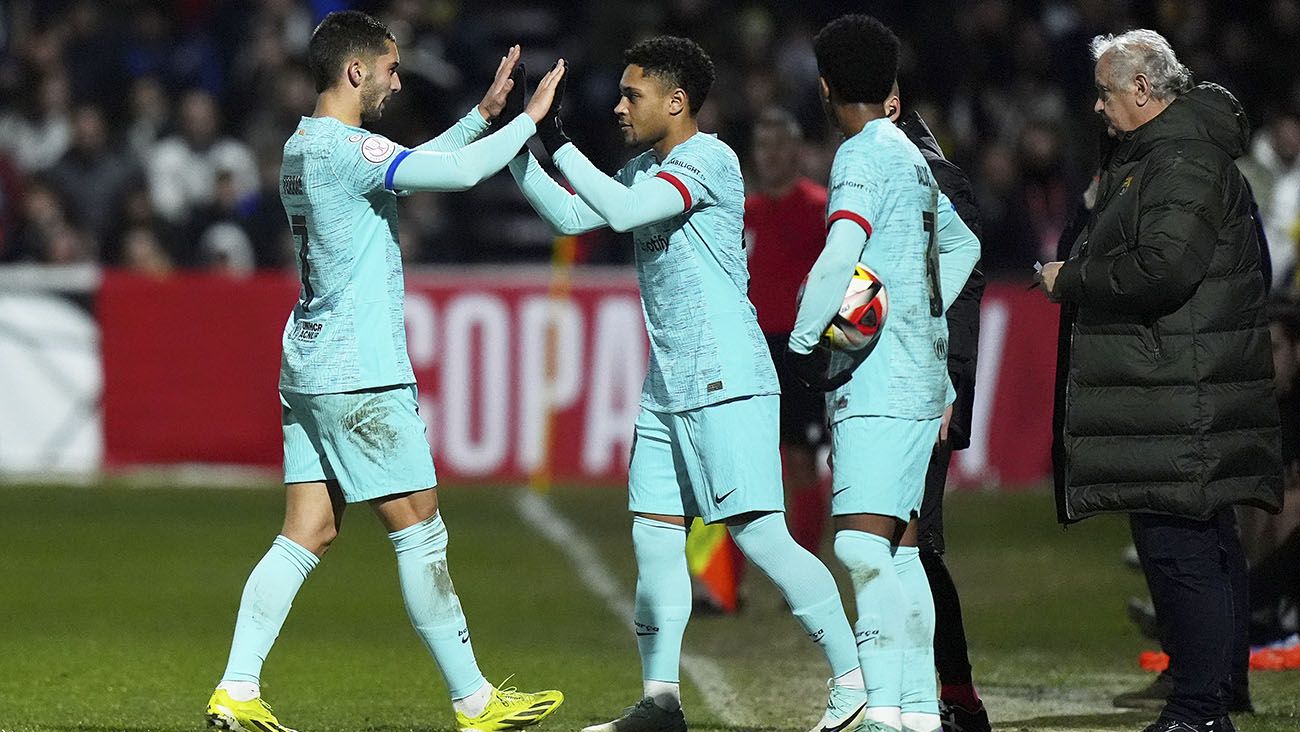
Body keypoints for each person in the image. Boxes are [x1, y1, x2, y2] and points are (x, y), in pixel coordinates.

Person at [204, 11, 568, 732]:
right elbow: (455, 174)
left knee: (306, 531)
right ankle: (474, 700)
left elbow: (412, 165)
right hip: (358, 370)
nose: (397, 82)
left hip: (307, 362)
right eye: (391, 69)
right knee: (420, 530)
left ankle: (236, 690)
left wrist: (479, 116)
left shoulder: (303, 146)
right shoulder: (343, 150)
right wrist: (527, 121)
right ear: (355, 71)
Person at [509, 35, 868, 732]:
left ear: (677, 102)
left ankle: (854, 681)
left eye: (630, 95)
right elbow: (576, 215)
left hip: (725, 374)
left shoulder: (709, 159)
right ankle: (661, 701)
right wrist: (520, 141)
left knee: (762, 536)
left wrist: (557, 137)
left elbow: (618, 213)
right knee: (653, 534)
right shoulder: (646, 167)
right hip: (668, 384)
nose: (618, 106)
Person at [1036, 29, 1283, 732]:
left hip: (1181, 389)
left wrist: (1071, 279)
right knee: (1198, 541)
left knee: (1182, 548)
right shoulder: (1169, 155)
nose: (1097, 106)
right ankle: (1213, 701)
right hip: (1178, 384)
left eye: (1107, 92)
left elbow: (1162, 269)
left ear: (1143, 90)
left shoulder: (1181, 161)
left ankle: (1199, 707)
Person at [788, 15, 980, 732]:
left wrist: (807, 340)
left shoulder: (862, 154)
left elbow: (843, 247)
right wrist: (922, 319)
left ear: (826, 87)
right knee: (899, 555)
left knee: (860, 547)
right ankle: (919, 713)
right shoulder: (909, 153)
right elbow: (961, 246)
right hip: (921, 378)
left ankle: (881, 712)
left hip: (877, 382)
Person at [888, 92, 991, 732]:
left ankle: (949, 699)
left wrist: (948, 381)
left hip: (922, 392)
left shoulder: (931, 174)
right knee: (892, 545)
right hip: (888, 389)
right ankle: (925, 697)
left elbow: (963, 278)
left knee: (910, 548)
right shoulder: (886, 163)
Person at [744, 107, 834, 554]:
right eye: (763, 145)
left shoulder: (821, 209)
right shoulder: (743, 213)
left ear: (796, 149)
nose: (772, 154)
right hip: (752, 349)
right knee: (739, 467)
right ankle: (723, 587)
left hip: (801, 348)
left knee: (800, 462)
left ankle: (807, 567)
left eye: (780, 144)